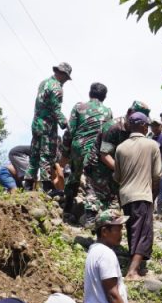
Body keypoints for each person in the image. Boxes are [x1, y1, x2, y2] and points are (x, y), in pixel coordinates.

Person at [113, 112, 162, 279]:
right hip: (142, 194)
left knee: (132, 230)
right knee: (143, 233)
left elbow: (117, 177)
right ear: (143, 126)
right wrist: (153, 195)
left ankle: (134, 264)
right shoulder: (152, 145)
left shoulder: (120, 147)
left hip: (125, 195)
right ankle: (132, 271)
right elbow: (157, 175)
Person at [93, 101, 152, 216]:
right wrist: (123, 171)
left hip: (115, 165)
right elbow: (104, 155)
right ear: (129, 113)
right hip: (98, 164)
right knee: (100, 195)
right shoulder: (113, 127)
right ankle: (92, 219)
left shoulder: (136, 131)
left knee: (119, 196)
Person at [65, 82, 113, 216]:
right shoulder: (108, 111)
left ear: (90, 93)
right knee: (92, 181)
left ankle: (67, 206)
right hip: (95, 151)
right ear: (104, 97)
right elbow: (108, 134)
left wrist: (65, 149)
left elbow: (70, 130)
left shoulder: (79, 107)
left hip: (78, 148)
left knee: (74, 176)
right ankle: (91, 216)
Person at [28, 62, 72, 192]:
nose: (65, 81)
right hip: (47, 126)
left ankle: (28, 185)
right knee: (47, 155)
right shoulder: (57, 88)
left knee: (34, 154)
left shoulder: (44, 83)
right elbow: (56, 110)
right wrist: (66, 125)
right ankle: (46, 186)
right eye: (66, 78)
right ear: (63, 74)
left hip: (36, 123)